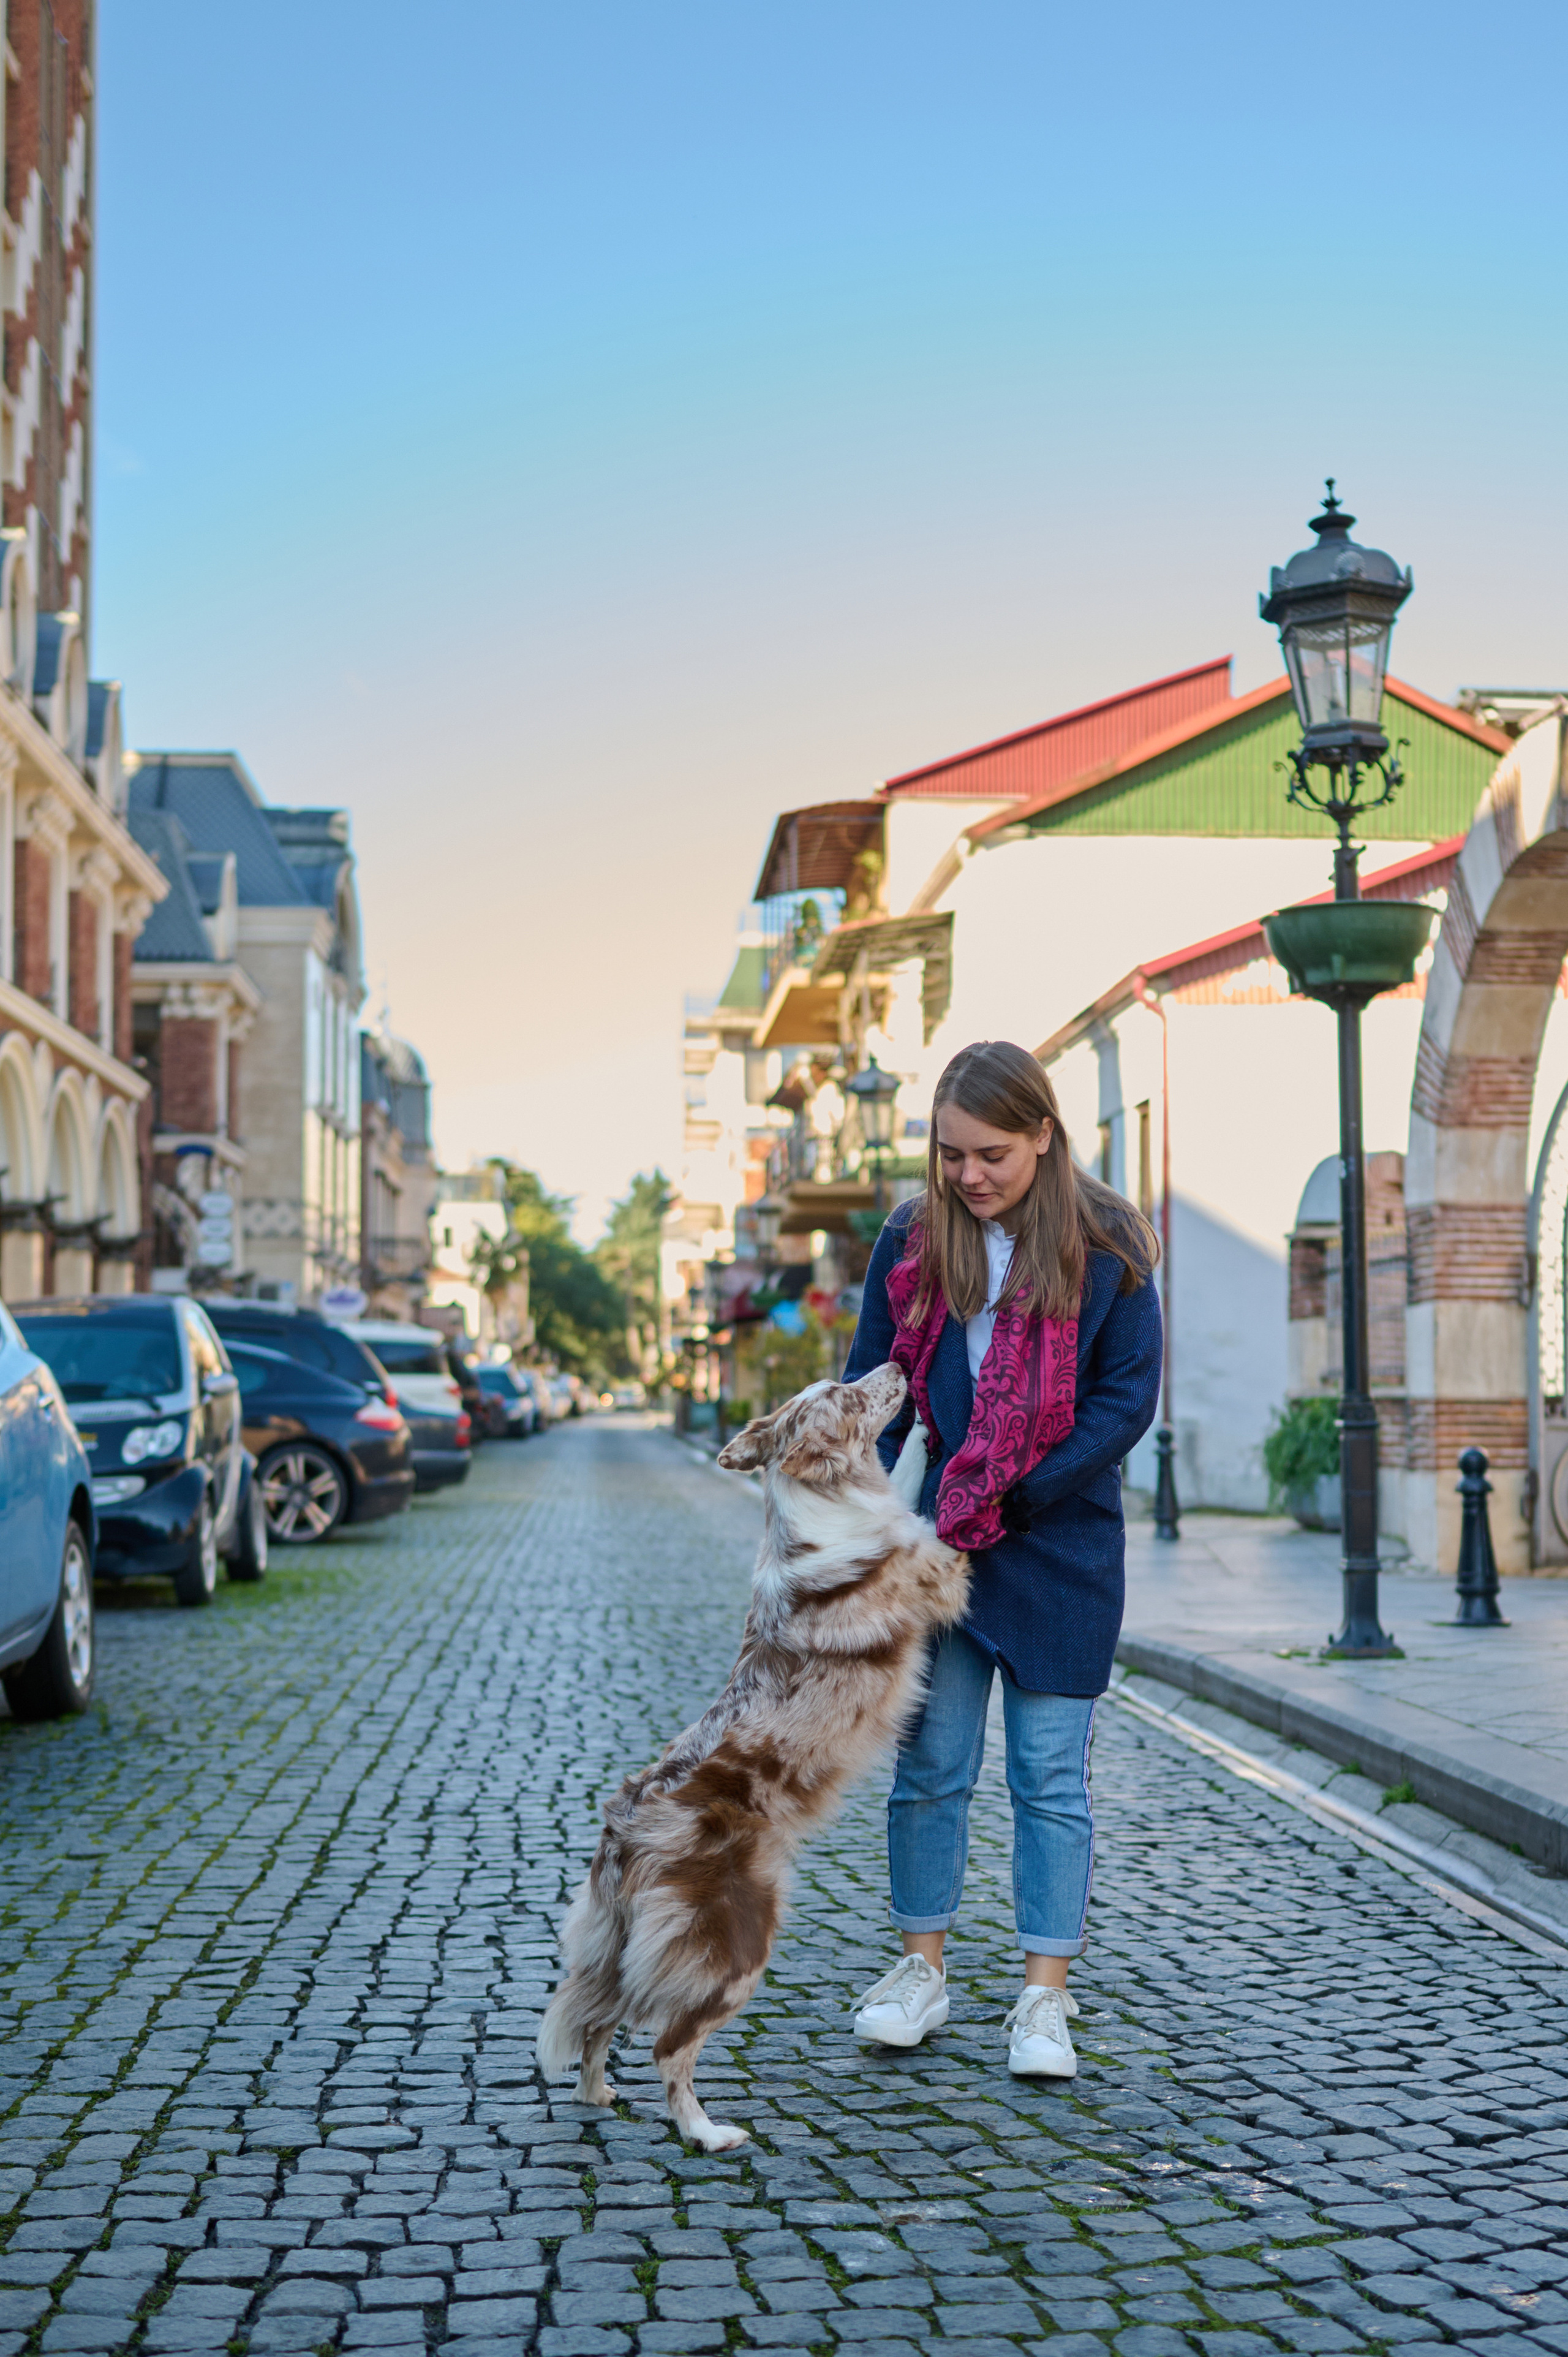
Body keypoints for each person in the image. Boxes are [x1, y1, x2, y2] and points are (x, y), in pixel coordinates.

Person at [842, 1038, 1161, 2079]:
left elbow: (1124, 1403)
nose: (970, 1176)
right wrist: (865, 1516)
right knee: (931, 1768)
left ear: (1044, 1137)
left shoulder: (1109, 1244)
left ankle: (1043, 1999)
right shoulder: (912, 1238)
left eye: (992, 1155)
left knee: (1048, 1779)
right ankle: (921, 1973)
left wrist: (1025, 1490)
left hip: (1061, 1544)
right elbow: (877, 1388)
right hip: (940, 1548)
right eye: (951, 1155)